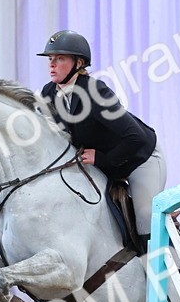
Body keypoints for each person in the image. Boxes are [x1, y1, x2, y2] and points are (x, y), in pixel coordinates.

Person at [37, 30, 167, 239]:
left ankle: (172, 267)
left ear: (78, 63)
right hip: (101, 165)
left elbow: (136, 138)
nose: (51, 64)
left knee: (145, 215)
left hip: (140, 159)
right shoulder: (48, 93)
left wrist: (103, 158)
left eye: (60, 58)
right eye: (50, 59)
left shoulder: (95, 91)